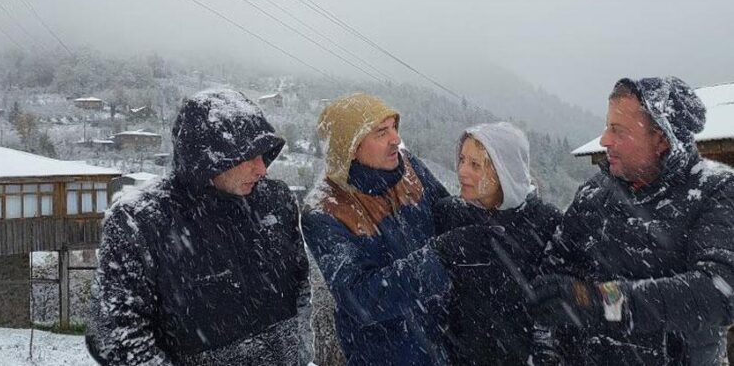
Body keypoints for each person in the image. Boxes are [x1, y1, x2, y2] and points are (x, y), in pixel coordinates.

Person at [85, 89, 312, 365]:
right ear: (210, 157)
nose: (262, 168)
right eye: (250, 155)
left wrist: (299, 350)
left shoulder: (275, 201)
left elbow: (301, 284)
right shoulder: (141, 221)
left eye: (264, 154)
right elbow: (115, 334)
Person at [531, 77, 734, 365]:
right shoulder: (593, 194)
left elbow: (719, 292)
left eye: (618, 130)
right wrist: (546, 352)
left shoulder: (715, 190)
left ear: (661, 138)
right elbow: (551, 276)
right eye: (607, 126)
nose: (604, 140)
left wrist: (603, 301)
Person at [302, 93, 452, 365]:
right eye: (381, 132)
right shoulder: (325, 210)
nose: (395, 139)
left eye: (394, 127)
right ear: (351, 148)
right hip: (387, 355)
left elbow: (446, 214)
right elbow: (361, 299)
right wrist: (437, 260)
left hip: (444, 339)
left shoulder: (408, 168)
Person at [433, 122, 561, 365]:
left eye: (475, 165)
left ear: (505, 171)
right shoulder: (450, 214)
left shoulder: (545, 223)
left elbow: (555, 309)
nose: (461, 171)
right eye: (462, 159)